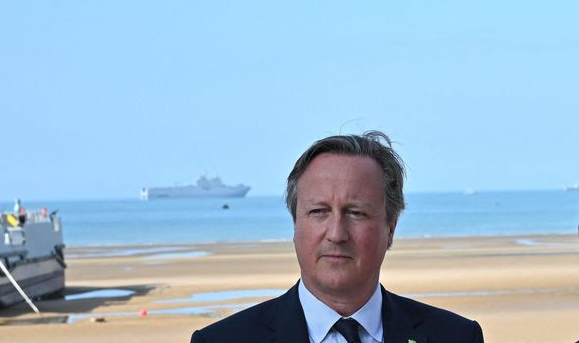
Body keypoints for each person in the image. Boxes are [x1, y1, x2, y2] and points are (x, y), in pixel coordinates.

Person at [191, 131, 484, 343]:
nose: (336, 234)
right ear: (295, 224)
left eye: (356, 213)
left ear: (390, 229)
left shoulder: (457, 337)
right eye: (319, 211)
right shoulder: (222, 340)